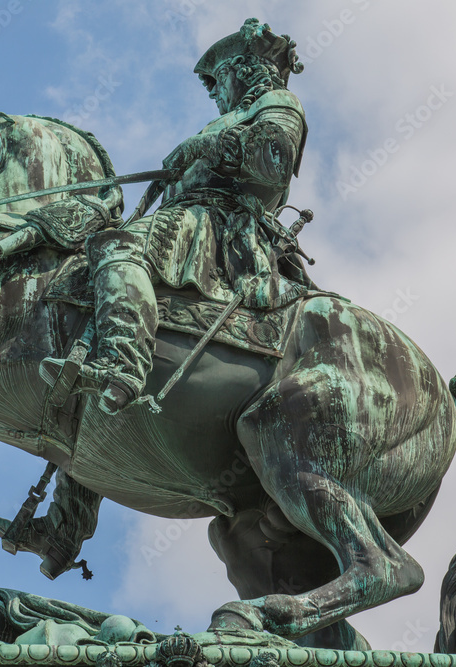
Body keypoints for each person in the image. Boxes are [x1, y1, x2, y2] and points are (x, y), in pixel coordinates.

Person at [41, 18, 312, 415]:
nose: (216, 94)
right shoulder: (232, 115)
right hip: (189, 217)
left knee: (119, 244)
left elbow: (274, 160)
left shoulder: (277, 103)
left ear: (244, 71)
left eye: (219, 80)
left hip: (217, 224)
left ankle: (123, 367)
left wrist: (201, 145)